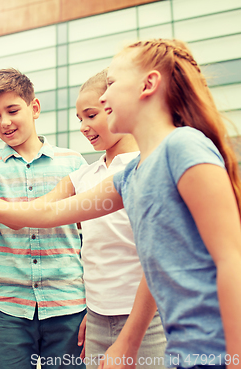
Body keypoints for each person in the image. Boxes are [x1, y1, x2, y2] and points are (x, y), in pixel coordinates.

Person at [0, 39, 241, 369]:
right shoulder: (128, 175)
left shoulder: (183, 147)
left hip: (213, 350)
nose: (103, 96)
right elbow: (43, 212)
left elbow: (232, 260)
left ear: (148, 85)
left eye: (112, 83)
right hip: (180, 349)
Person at [0, 68, 88, 369]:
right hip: (10, 305)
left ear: (34, 108)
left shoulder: (73, 162)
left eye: (12, 110)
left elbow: (89, 237)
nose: (5, 122)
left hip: (68, 304)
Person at [71, 69, 166, 369]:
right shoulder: (83, 176)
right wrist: (96, 311)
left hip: (151, 320)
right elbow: (40, 210)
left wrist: (127, 337)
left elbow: (158, 259)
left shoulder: (150, 165)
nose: (84, 127)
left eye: (91, 115)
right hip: (98, 320)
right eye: (80, 120)